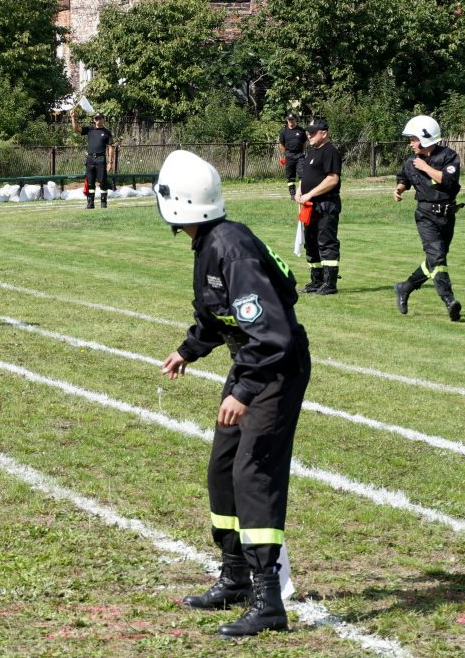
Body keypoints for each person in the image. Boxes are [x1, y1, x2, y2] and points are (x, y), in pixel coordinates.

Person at [156, 150, 311, 637]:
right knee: (224, 466)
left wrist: (243, 390)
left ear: (178, 203)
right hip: (253, 362)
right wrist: (187, 350)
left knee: (253, 471)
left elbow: (273, 334)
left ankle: (268, 599)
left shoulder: (231, 247)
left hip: (273, 369)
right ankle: (236, 576)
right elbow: (216, 313)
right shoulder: (210, 243)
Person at [393, 115, 462, 321]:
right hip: (425, 215)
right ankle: (449, 301)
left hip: (447, 215)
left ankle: (405, 287)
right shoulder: (410, 162)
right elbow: (404, 178)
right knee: (438, 257)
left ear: (425, 138)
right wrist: (399, 189)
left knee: (434, 259)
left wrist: (425, 168)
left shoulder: (449, 157)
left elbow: (448, 180)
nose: (411, 143)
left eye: (413, 139)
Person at [295, 117, 342, 295]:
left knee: (326, 242)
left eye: (313, 132)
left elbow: (332, 179)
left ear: (324, 133)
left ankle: (330, 283)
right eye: (308, 132)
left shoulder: (329, 151)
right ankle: (316, 281)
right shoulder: (312, 152)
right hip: (310, 206)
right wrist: (300, 191)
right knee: (311, 243)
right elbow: (306, 177)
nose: (309, 135)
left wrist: (310, 194)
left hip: (326, 204)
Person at [71, 109, 114, 209]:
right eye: (96, 119)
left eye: (99, 118)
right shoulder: (90, 129)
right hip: (90, 159)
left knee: (103, 182)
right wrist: (73, 117)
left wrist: (110, 162)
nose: (98, 120)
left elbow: (110, 148)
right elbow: (76, 129)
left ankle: (103, 203)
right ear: (94, 120)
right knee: (90, 182)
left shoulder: (107, 132)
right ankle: (90, 204)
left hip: (100, 159)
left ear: (103, 120)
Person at [278, 114, 307, 200]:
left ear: (295, 120)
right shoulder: (284, 132)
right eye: (289, 120)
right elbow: (281, 144)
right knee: (290, 176)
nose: (291, 121)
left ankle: (301, 192)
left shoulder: (301, 130)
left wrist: (302, 152)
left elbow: (304, 142)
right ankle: (292, 194)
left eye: (292, 120)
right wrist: (286, 154)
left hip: (300, 155)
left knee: (302, 174)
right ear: (287, 121)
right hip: (289, 155)